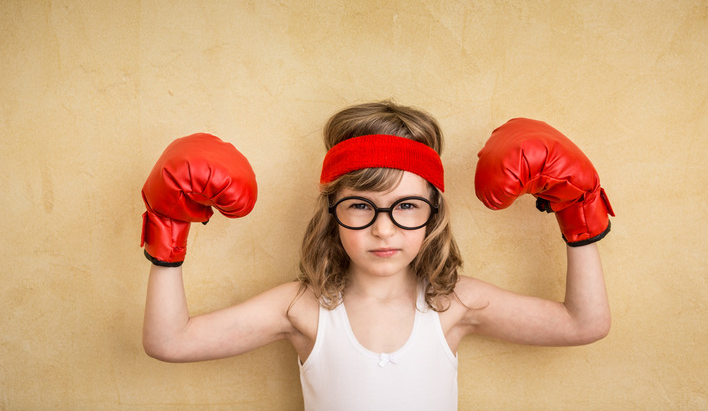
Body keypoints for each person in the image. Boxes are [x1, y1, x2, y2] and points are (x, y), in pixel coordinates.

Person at [140, 101, 613, 410]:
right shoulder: (301, 306)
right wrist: (169, 230)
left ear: (433, 214)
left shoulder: (452, 304)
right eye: (361, 206)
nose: (383, 228)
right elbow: (171, 341)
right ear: (332, 212)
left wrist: (579, 213)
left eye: (407, 206)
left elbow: (583, 323)